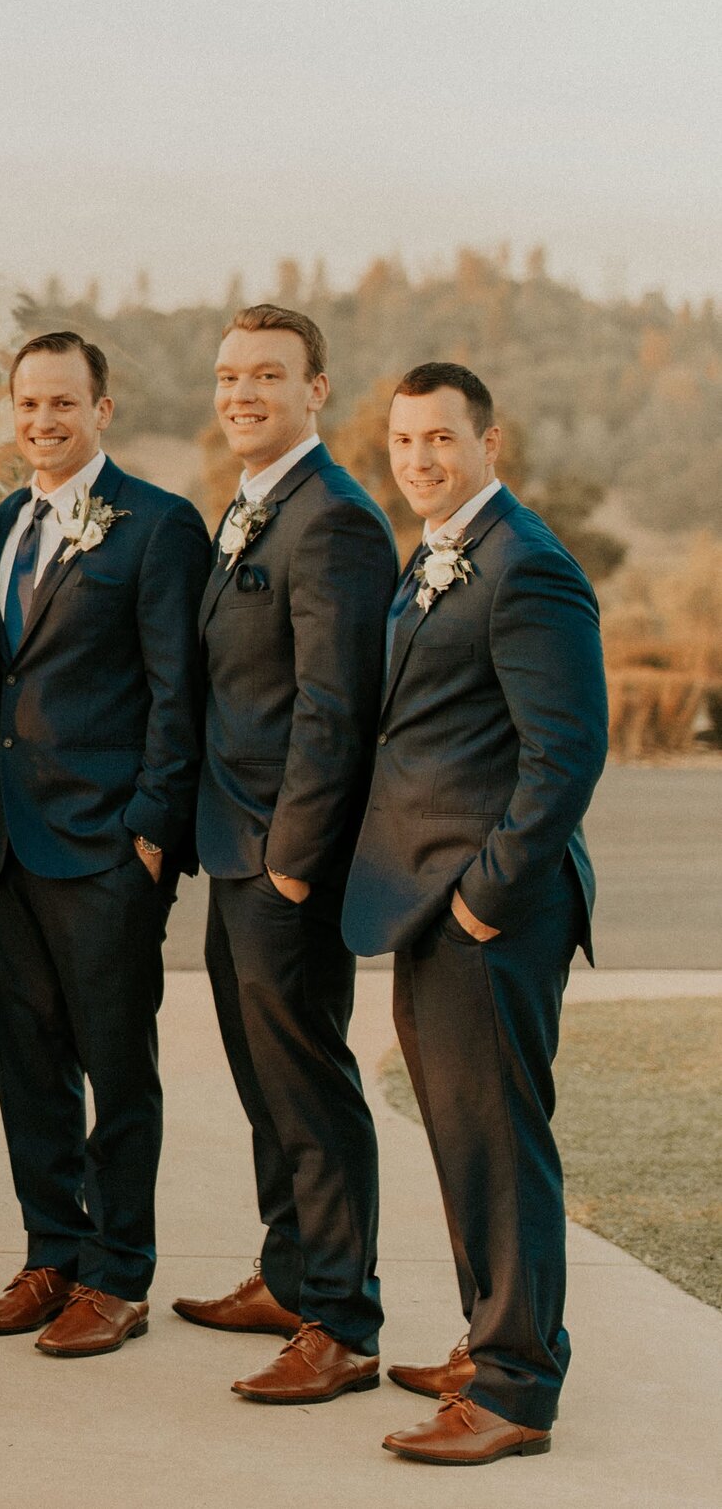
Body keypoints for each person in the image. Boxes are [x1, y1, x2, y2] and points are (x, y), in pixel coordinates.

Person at [347, 362, 606, 1465]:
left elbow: (564, 755)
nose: (418, 461)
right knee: (464, 1136)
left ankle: (512, 1393)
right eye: (403, 441)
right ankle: (488, 1339)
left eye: (440, 440)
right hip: (425, 903)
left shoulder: (527, 566)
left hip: (487, 910)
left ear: (487, 443)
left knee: (499, 1144)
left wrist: (485, 901)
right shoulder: (442, 549)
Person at [0, 331, 209, 1356]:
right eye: (28, 405)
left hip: (106, 846)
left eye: (63, 404)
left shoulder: (158, 525)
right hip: (6, 846)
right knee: (26, 1066)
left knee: (117, 1068)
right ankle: (49, 1255)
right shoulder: (0, 523)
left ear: (101, 409)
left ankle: (117, 1274)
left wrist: (150, 833)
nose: (43, 423)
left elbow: (175, 693)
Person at [175, 306, 396, 1402]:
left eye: (268, 374)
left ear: (318, 389)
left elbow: (333, 708)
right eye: (228, 375)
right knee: (265, 1079)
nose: (242, 393)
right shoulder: (253, 505)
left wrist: (294, 862)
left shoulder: (333, 522)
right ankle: (288, 1270)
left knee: (309, 1085)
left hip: (285, 859)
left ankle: (344, 1323)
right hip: (233, 846)